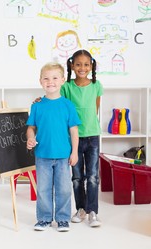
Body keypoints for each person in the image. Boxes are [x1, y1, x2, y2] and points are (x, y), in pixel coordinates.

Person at [26, 62, 81, 232]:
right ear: (40, 81)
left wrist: (75, 152)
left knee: (64, 189)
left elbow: (74, 131)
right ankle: (44, 219)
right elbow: (31, 128)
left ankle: (63, 219)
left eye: (55, 78)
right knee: (43, 189)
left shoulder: (68, 105)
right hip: (42, 155)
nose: (51, 81)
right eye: (46, 78)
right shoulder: (37, 105)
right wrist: (30, 138)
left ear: (63, 80)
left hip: (64, 155)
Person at [60, 49, 103, 227]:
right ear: (72, 65)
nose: (82, 68)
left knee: (92, 176)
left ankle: (93, 211)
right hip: (74, 138)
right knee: (77, 177)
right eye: (78, 64)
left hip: (92, 136)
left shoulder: (96, 85)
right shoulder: (66, 87)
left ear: (91, 66)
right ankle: (81, 209)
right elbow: (59, 107)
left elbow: (95, 108)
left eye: (86, 64)